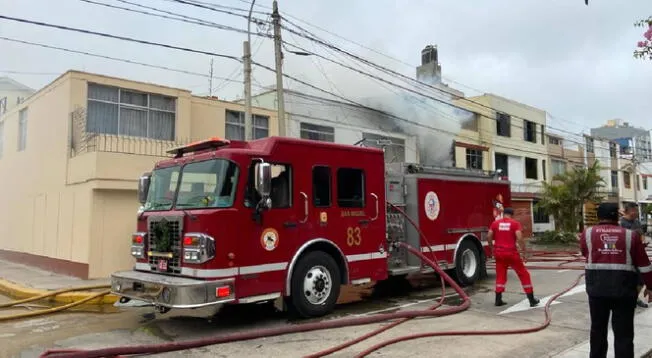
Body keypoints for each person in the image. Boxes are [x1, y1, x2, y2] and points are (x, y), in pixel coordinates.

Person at [579, 202, 652, 358]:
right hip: (624, 291)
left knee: (597, 331)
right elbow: (644, 264)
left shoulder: (587, 233)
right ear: (617, 216)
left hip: (597, 290)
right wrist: (650, 286)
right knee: (624, 334)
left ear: (599, 216)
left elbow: (586, 253)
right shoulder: (630, 235)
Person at [487, 207, 540, 307]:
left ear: (504, 214)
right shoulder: (514, 223)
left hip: (499, 253)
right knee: (524, 274)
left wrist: (492, 248)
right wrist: (524, 252)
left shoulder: (495, 223)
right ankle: (531, 299)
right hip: (511, 253)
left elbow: (489, 236)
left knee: (500, 275)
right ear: (512, 215)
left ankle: (498, 299)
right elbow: (519, 237)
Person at [619, 202, 649, 308]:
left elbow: (641, 235)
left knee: (641, 279)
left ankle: (634, 299)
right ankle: (627, 300)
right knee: (627, 280)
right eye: (635, 211)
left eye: (637, 211)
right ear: (628, 211)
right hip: (626, 256)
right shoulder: (621, 223)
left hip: (638, 255)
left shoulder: (637, 222)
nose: (636, 213)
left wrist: (643, 243)